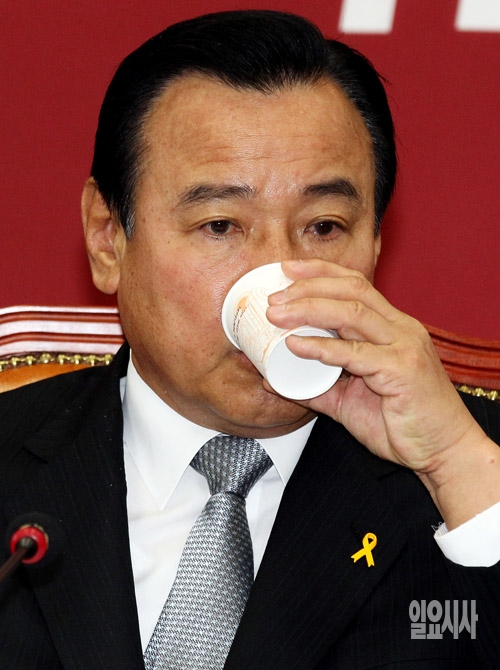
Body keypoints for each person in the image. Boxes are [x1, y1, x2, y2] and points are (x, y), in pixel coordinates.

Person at [1, 9, 499, 669]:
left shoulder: (472, 471)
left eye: (324, 227)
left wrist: (457, 467)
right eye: (220, 225)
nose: (278, 284)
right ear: (106, 237)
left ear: (376, 241)